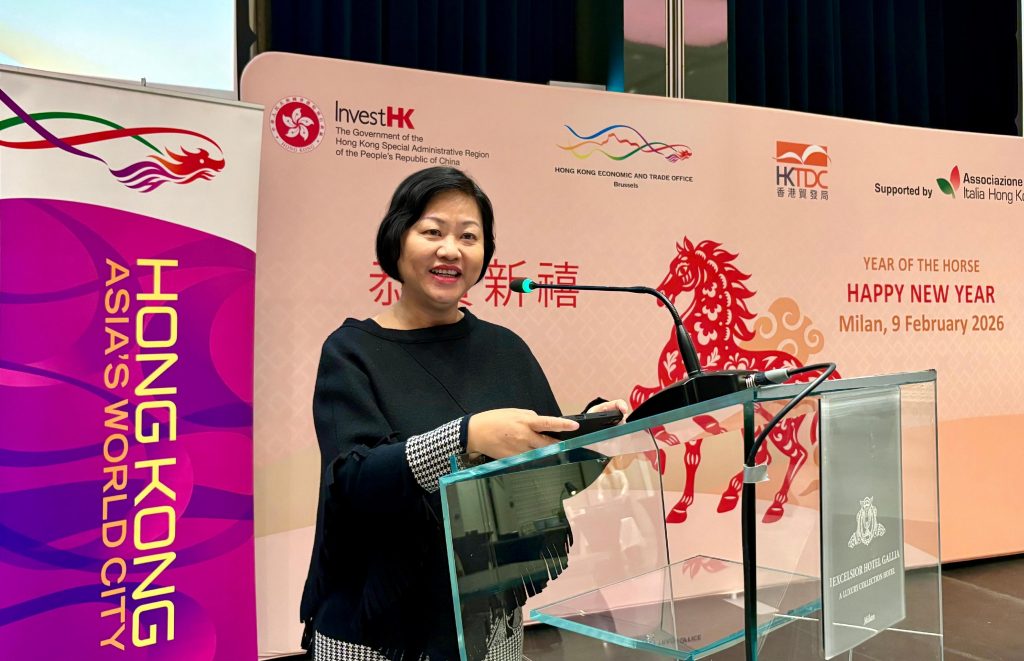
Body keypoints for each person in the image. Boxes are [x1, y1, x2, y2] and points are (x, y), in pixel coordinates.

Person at [300, 166, 627, 661]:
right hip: (374, 628)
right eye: (433, 231)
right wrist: (466, 436)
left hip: (488, 622)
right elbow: (354, 480)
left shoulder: (505, 348)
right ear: (397, 239)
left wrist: (591, 431)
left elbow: (541, 470)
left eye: (468, 237)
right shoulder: (351, 351)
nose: (451, 250)